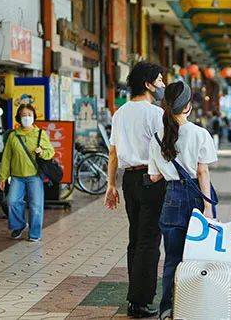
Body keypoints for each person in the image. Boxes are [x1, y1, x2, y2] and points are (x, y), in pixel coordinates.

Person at [147, 81, 217, 320]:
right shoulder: (200, 134)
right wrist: (208, 207)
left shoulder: (156, 137)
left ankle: (167, 308)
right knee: (199, 257)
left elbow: (154, 176)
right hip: (197, 199)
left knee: (172, 260)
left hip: (171, 200)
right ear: (188, 107)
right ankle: (194, 306)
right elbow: (202, 172)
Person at [105, 61, 166, 318]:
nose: (163, 85)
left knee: (136, 239)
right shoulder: (155, 114)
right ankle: (140, 301)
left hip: (129, 182)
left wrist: (110, 185)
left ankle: (135, 297)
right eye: (160, 80)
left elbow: (114, 152)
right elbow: (165, 151)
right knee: (149, 241)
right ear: (148, 84)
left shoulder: (120, 113)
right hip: (151, 180)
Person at [0, 103, 55, 243]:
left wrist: (42, 152)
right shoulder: (13, 136)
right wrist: (3, 176)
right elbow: (6, 157)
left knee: (36, 206)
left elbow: (51, 152)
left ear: (34, 117)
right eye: (24, 115)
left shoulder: (40, 134)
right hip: (17, 177)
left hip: (34, 176)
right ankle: (19, 225)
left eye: (29, 115)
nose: (27, 118)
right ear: (18, 117)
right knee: (12, 201)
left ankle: (34, 234)